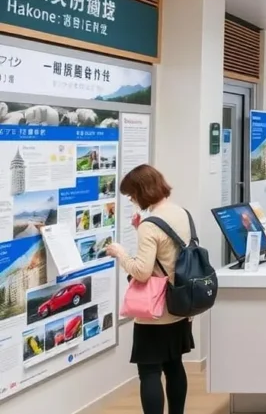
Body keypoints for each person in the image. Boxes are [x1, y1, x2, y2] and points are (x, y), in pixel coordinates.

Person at [103, 164, 194, 414]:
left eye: (132, 195)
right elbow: (170, 251)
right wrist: (139, 229)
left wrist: (120, 253)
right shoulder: (181, 213)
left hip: (155, 311)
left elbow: (142, 271)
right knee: (174, 365)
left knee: (150, 371)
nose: (132, 200)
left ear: (142, 191)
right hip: (180, 304)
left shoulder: (150, 225)